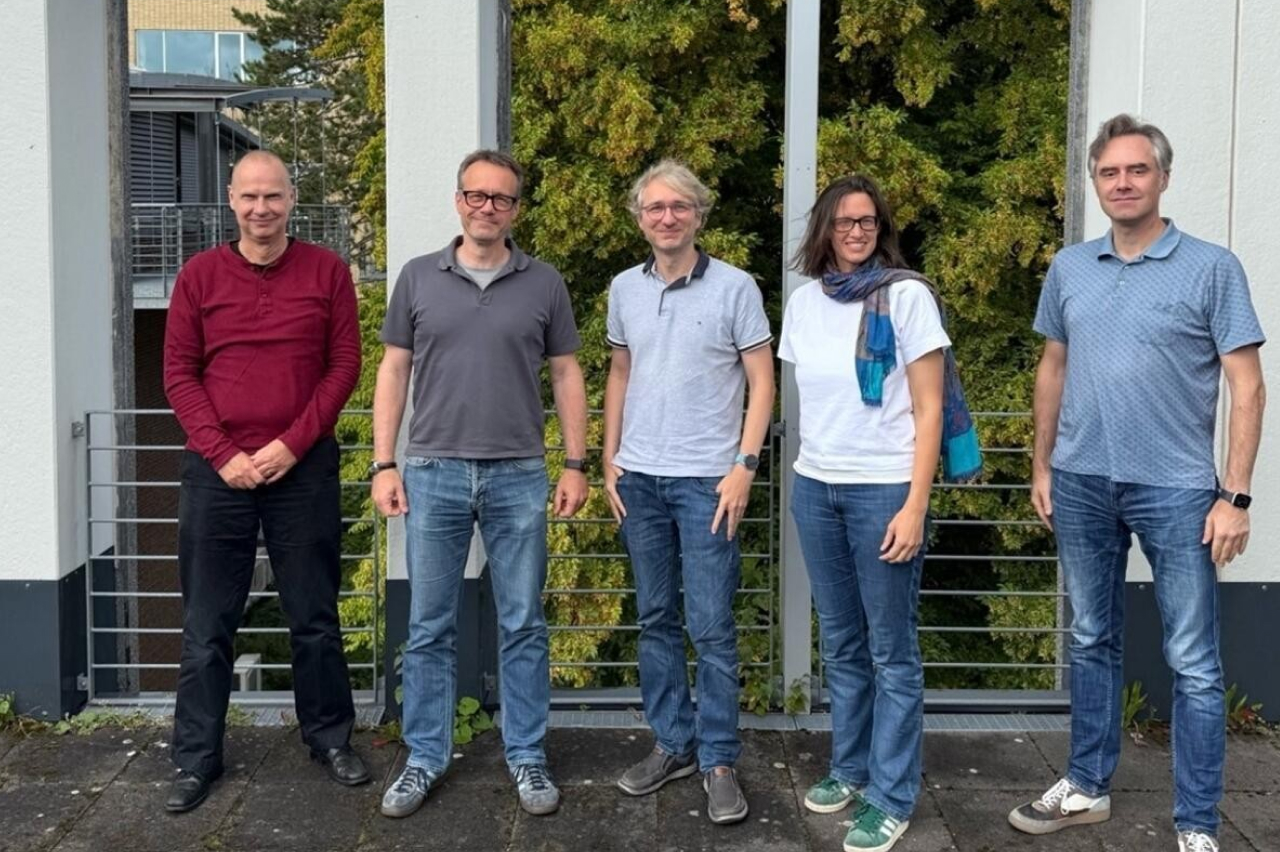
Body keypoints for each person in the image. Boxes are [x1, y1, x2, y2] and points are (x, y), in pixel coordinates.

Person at [1009, 114, 1266, 852]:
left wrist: (1235, 496)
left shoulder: (1212, 268)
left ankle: (1197, 824)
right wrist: (1042, 465)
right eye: (1109, 172)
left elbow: (1248, 386)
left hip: (1178, 490)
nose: (1122, 183)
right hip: (1082, 482)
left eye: (1137, 170)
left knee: (1194, 662)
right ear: (1096, 182)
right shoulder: (1071, 268)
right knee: (1091, 638)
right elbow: (1054, 367)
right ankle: (1086, 786)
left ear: (1163, 177)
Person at [371, 149, 589, 819]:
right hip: (431, 471)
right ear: (458, 200)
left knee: (523, 622)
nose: (487, 207)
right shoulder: (417, 276)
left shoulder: (544, 282)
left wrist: (575, 462)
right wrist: (383, 463)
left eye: (501, 198)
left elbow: (566, 374)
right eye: (476, 194)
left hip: (518, 473)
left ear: (516, 209)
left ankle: (527, 754)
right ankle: (424, 757)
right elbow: (394, 370)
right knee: (429, 625)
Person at [163, 150, 368, 813]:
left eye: (273, 196)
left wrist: (291, 445)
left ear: (291, 199)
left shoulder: (326, 271)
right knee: (207, 624)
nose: (261, 208)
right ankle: (196, 759)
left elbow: (344, 366)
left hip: (302, 468)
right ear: (231, 199)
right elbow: (178, 374)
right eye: (249, 196)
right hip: (215, 472)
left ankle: (330, 739)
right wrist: (223, 453)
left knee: (314, 616)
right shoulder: (198, 276)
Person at [781, 174, 978, 852]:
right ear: (825, 230)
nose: (856, 232)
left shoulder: (907, 297)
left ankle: (891, 797)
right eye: (844, 221)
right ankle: (851, 767)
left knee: (891, 650)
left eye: (867, 221)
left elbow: (929, 407)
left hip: (885, 491)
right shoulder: (804, 303)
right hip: (815, 488)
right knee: (841, 643)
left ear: (881, 228)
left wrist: (916, 504)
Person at [603, 160, 775, 825]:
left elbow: (762, 380)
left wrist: (745, 465)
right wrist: (610, 459)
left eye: (679, 206)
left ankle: (719, 760)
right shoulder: (625, 288)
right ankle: (673, 744)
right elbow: (620, 372)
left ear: (699, 215)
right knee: (655, 619)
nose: (667, 217)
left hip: (709, 482)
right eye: (655, 207)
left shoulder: (735, 287)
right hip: (639, 481)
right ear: (639, 218)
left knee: (710, 626)